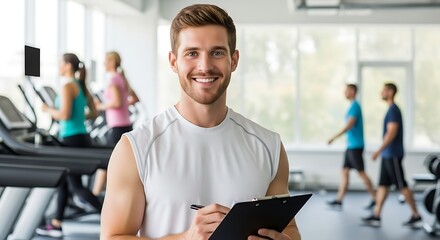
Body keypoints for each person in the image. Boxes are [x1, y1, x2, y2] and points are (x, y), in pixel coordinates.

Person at [101, 4, 301, 240]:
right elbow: (113, 237)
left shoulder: (269, 147)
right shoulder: (135, 149)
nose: (205, 66)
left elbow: (289, 231)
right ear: (173, 62)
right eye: (192, 53)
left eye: (217, 52)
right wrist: (186, 238)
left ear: (234, 60)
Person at [36, 53, 102, 237]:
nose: (58, 65)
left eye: (60, 63)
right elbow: (94, 112)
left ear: (67, 65)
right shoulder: (80, 85)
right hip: (80, 135)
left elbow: (64, 115)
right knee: (64, 181)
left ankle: (108, 213)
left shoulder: (67, 86)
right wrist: (79, 119)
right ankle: (57, 222)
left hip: (71, 138)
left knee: (75, 185)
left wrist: (47, 109)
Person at [362, 83, 422, 227]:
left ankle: (416, 215)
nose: (381, 92)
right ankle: (377, 215)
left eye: (383, 90)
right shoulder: (391, 110)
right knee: (383, 185)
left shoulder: (394, 110)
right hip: (388, 155)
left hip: (393, 154)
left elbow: (391, 133)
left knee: (402, 185)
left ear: (390, 92)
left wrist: (379, 150)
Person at [92, 51, 139, 197]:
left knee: (107, 160)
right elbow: (134, 98)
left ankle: (94, 195)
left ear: (112, 62)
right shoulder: (121, 78)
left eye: (106, 61)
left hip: (118, 126)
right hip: (125, 124)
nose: (104, 64)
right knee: (117, 161)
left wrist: (99, 106)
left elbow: (117, 102)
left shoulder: (113, 80)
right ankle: (102, 193)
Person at [327, 84, 376, 209]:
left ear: (353, 91)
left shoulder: (355, 106)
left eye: (347, 90)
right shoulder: (352, 106)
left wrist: (334, 137)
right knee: (345, 172)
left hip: (356, 146)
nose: (344, 93)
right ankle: (339, 200)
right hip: (350, 146)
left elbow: (349, 125)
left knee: (361, 173)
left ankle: (376, 198)